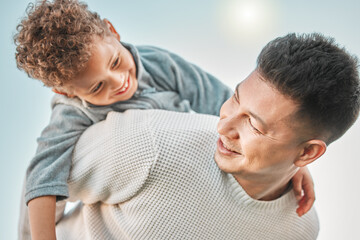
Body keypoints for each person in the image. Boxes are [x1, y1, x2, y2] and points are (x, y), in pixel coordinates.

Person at [14, 0, 315, 239]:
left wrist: (285, 165)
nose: (119, 81)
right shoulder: (71, 113)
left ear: (112, 31)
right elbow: (42, 178)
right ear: (65, 92)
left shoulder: (159, 63)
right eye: (96, 87)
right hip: (133, 201)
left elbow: (220, 102)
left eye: (116, 62)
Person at [52, 33, 359, 239]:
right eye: (235, 99)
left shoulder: (300, 229)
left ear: (307, 153)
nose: (223, 127)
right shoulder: (149, 141)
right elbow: (45, 182)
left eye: (253, 124)